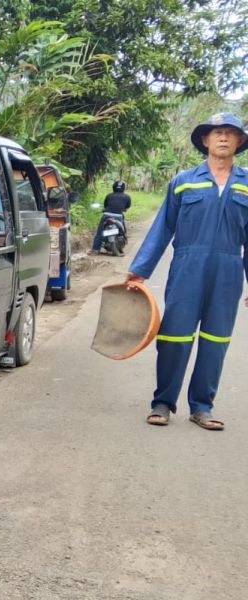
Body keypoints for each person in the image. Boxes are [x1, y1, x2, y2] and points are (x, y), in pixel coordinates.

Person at [128, 112, 248, 431]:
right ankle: (162, 403)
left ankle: (202, 407)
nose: (223, 137)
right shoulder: (184, 181)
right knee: (174, 336)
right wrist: (140, 270)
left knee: (216, 340)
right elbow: (162, 228)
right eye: (217, 132)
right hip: (186, 266)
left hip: (228, 270)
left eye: (230, 132)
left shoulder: (247, 184)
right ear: (205, 140)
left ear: (239, 141)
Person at [92, 180, 132, 252]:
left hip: (106, 215)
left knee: (100, 233)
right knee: (122, 231)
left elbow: (105, 205)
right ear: (123, 188)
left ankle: (95, 249)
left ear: (113, 187)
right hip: (118, 216)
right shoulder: (127, 196)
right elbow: (127, 206)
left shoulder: (109, 195)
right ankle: (121, 246)